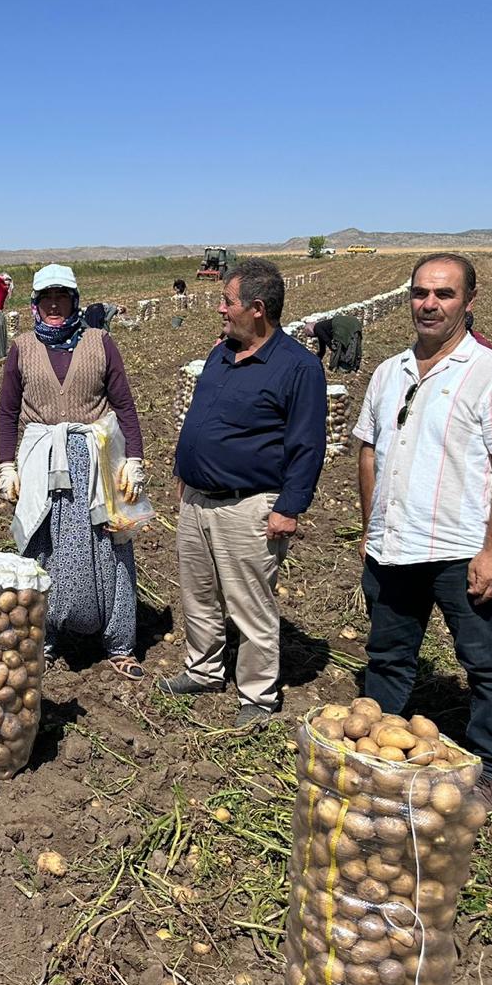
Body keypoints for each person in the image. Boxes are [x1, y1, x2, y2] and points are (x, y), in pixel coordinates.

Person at [351, 253, 492, 809]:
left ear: (469, 302)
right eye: (420, 293)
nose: (429, 304)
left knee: (484, 661)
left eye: (444, 294)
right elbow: (367, 451)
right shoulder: (390, 372)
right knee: (387, 654)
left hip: (460, 550)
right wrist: (370, 526)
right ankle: (376, 752)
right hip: (393, 544)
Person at [159, 260, 328, 725]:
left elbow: (308, 445)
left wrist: (289, 508)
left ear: (256, 308)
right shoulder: (221, 354)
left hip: (249, 505)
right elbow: (203, 417)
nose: (219, 309)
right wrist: (183, 469)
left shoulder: (298, 367)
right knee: (199, 594)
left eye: (226, 301)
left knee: (251, 604)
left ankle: (257, 696)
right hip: (197, 499)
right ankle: (204, 669)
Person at [0, 264, 147, 679]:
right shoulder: (22, 348)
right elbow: (8, 412)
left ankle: (119, 642)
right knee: (40, 544)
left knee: (110, 545)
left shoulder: (100, 342)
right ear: (35, 304)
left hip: (96, 457)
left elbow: (126, 407)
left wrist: (134, 459)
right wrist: (6, 465)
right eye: (47, 297)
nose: (55, 304)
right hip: (41, 460)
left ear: (75, 300)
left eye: (62, 296)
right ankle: (42, 639)